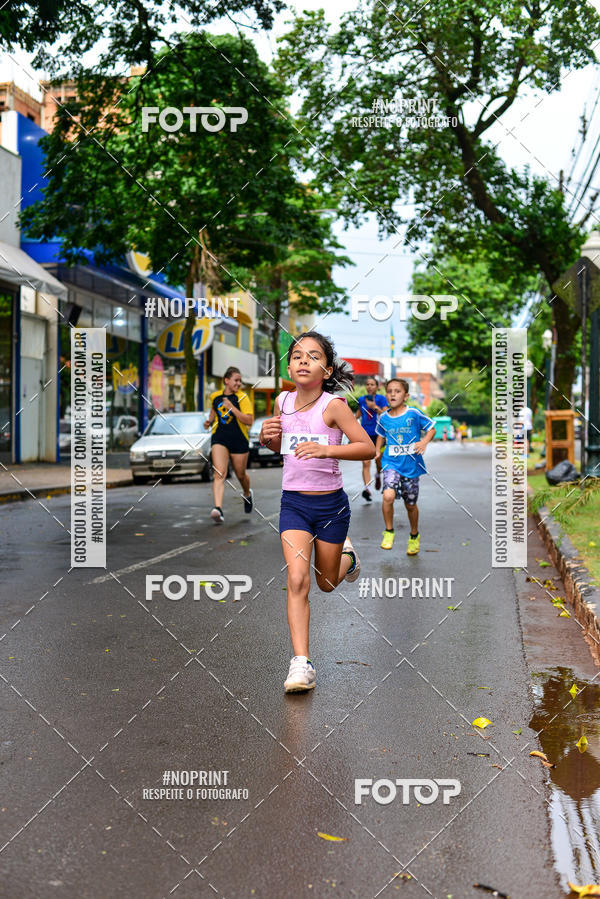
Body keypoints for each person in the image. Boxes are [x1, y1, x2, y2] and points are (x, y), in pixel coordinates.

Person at [259, 332, 376, 693]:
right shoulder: (282, 400)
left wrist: (328, 451)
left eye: (313, 356)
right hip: (293, 503)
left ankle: (349, 559)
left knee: (325, 582)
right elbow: (280, 446)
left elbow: (367, 448)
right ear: (290, 366)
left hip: (330, 506)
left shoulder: (334, 406)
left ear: (326, 369)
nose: (303, 361)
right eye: (297, 356)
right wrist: (267, 436)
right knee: (297, 580)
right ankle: (301, 664)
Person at [376, 378, 436, 556]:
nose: (393, 394)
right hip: (391, 463)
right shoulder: (384, 418)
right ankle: (388, 532)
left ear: (406, 396)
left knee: (410, 504)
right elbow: (380, 434)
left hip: (411, 466)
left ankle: (414, 535)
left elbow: (432, 428)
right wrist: (376, 450)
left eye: (397, 391)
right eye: (389, 391)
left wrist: (424, 441)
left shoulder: (413, 414)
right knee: (388, 495)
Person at [204, 366, 254, 523]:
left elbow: (249, 420)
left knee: (240, 474)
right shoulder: (215, 396)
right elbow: (213, 413)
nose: (239, 383)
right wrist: (208, 422)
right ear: (226, 380)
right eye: (236, 380)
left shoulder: (242, 398)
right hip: (220, 438)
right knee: (219, 473)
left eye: (240, 381)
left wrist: (232, 408)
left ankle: (247, 493)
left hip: (239, 439)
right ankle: (217, 509)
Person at [355, 376, 388, 501]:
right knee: (365, 462)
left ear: (377, 386)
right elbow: (358, 415)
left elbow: (385, 415)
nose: (369, 386)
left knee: (379, 462)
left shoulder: (382, 399)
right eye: (367, 384)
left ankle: (378, 474)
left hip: (379, 435)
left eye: (372, 384)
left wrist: (374, 407)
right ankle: (367, 489)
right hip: (365, 434)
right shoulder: (361, 400)